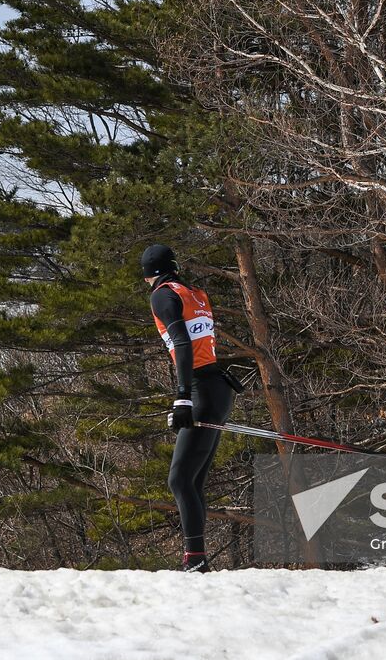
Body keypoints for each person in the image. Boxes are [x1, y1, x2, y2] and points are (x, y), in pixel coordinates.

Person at [142, 243, 236, 572]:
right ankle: (197, 560)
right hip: (217, 389)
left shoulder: (162, 295)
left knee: (180, 480)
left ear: (147, 277)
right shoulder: (193, 292)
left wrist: (182, 397)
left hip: (200, 391)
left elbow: (182, 344)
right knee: (191, 481)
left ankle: (194, 560)